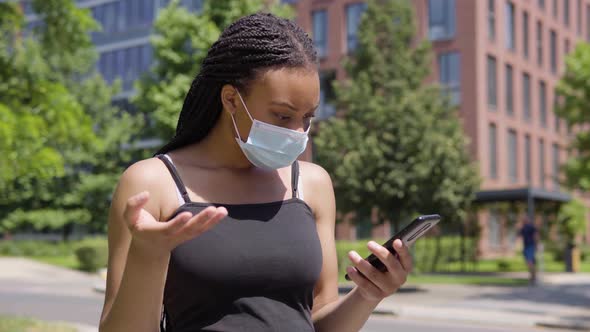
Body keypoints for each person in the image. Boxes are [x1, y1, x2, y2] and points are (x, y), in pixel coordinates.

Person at [98, 13, 412, 332]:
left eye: (308, 117)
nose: (298, 132)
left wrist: (368, 295)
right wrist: (147, 254)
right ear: (231, 99)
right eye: (282, 116)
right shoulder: (153, 183)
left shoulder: (312, 184)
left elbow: (319, 320)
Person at [519, 217, 539, 285]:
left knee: (530, 262)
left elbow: (535, 236)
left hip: (530, 246)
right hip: (526, 247)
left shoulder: (531, 227)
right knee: (530, 262)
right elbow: (520, 237)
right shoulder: (523, 228)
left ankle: (533, 277)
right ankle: (532, 277)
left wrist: (536, 245)